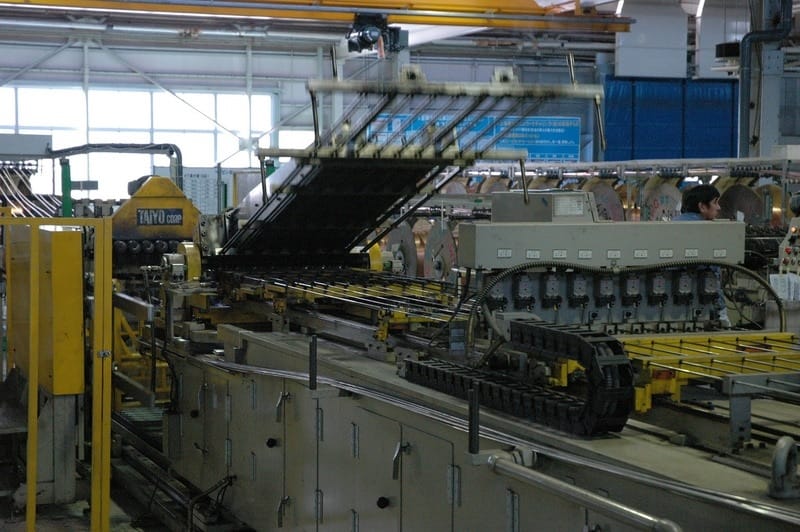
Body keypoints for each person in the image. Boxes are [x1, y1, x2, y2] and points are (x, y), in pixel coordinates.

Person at [674, 184, 730, 327]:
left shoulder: (672, 224)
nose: (719, 207)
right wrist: (721, 311)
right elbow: (713, 278)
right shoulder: (707, 230)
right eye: (715, 202)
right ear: (702, 207)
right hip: (703, 307)